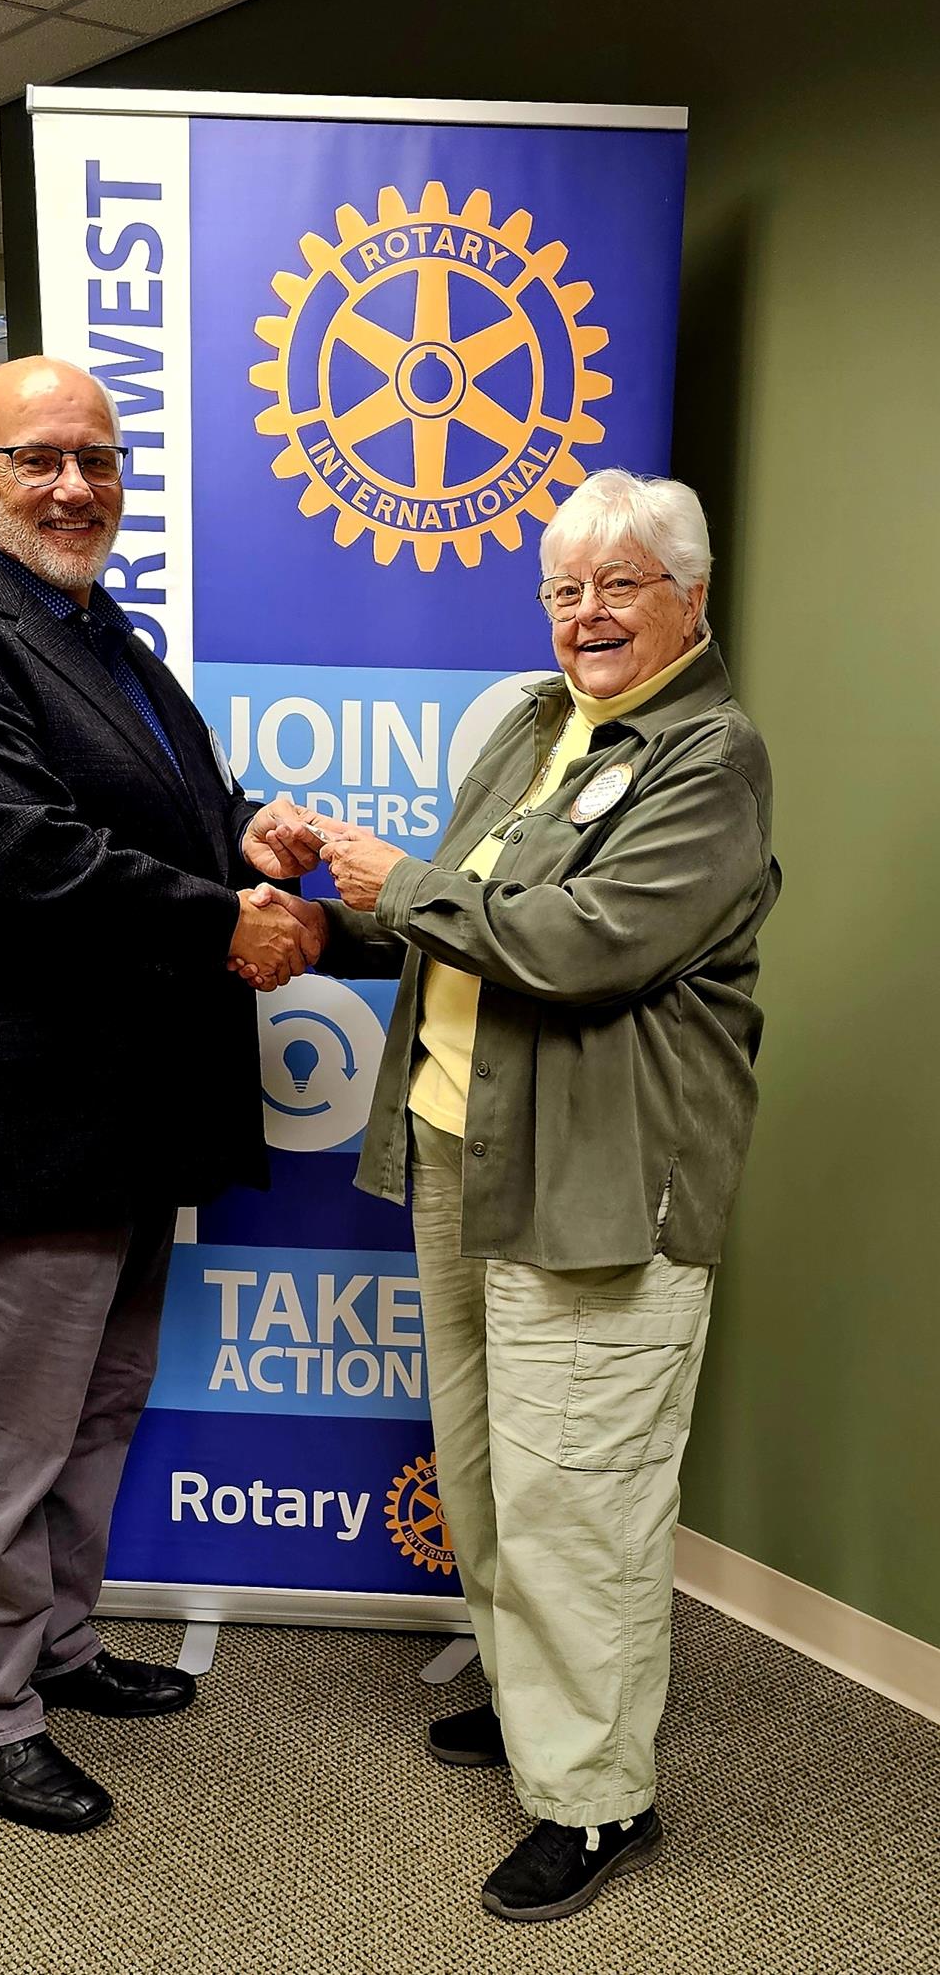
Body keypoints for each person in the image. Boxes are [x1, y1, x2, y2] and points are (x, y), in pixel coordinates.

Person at [250, 469, 780, 1921]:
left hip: (598, 1182)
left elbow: (583, 943)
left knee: (580, 1497)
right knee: (487, 1469)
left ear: (691, 599)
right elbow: (469, 921)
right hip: (460, 1148)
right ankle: (531, 1694)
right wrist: (331, 914)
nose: (585, 614)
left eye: (620, 584)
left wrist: (394, 882)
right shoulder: (541, 725)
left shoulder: (711, 759)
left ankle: (599, 1801)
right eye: (563, 589)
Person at [0, 356, 324, 1834]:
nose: (76, 487)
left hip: (130, 1112)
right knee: (5, 1438)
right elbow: (30, 855)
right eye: (41, 458)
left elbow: (164, 806)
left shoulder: (95, 627)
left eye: (98, 460)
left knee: (100, 1408)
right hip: (23, 1119)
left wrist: (248, 832)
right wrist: (224, 919)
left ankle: (59, 1646)